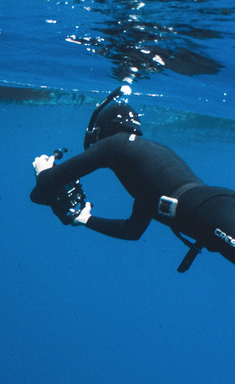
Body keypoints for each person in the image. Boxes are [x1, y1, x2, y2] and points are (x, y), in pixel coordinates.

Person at [30, 86, 235, 272]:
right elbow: (132, 231)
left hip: (211, 214)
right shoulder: (149, 172)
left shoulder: (115, 144)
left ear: (102, 133)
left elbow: (46, 185)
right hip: (216, 208)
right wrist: (85, 219)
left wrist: (42, 169)